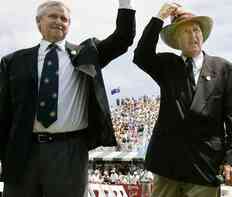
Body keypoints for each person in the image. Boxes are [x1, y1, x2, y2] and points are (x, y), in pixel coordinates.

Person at [0, 0, 135, 196]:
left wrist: (125, 2)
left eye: (64, 18)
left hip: (70, 152)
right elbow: (3, 113)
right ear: (39, 22)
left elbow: (123, 38)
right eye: (53, 16)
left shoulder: (87, 53)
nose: (59, 21)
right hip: (23, 150)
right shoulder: (13, 61)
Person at [133, 3, 232, 197]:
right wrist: (159, 17)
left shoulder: (225, 69)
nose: (193, 35)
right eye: (185, 32)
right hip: (168, 166)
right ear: (176, 39)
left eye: (196, 30)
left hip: (206, 165)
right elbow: (141, 55)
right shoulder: (168, 65)